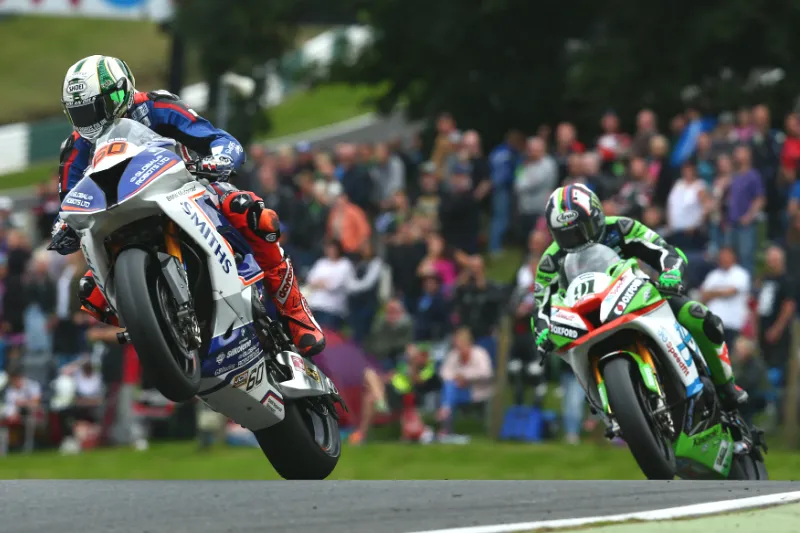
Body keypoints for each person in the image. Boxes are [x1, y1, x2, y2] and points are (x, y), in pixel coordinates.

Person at [46, 55, 324, 357]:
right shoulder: (75, 147)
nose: (87, 121)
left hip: (186, 189)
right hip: (116, 218)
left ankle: (295, 313)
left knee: (254, 214)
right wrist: (64, 228)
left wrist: (218, 158)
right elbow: (69, 205)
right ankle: (160, 334)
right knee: (90, 292)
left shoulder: (156, 106)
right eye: (79, 113)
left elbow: (219, 140)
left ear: (117, 93)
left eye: (92, 110)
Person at [532, 183, 748, 412]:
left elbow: (664, 250)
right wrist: (543, 330)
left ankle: (726, 386)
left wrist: (671, 273)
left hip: (637, 296)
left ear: (596, 216)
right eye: (565, 236)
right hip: (586, 314)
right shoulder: (550, 260)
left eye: (581, 230)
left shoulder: (621, 227)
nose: (576, 240)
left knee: (699, 317)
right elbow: (540, 304)